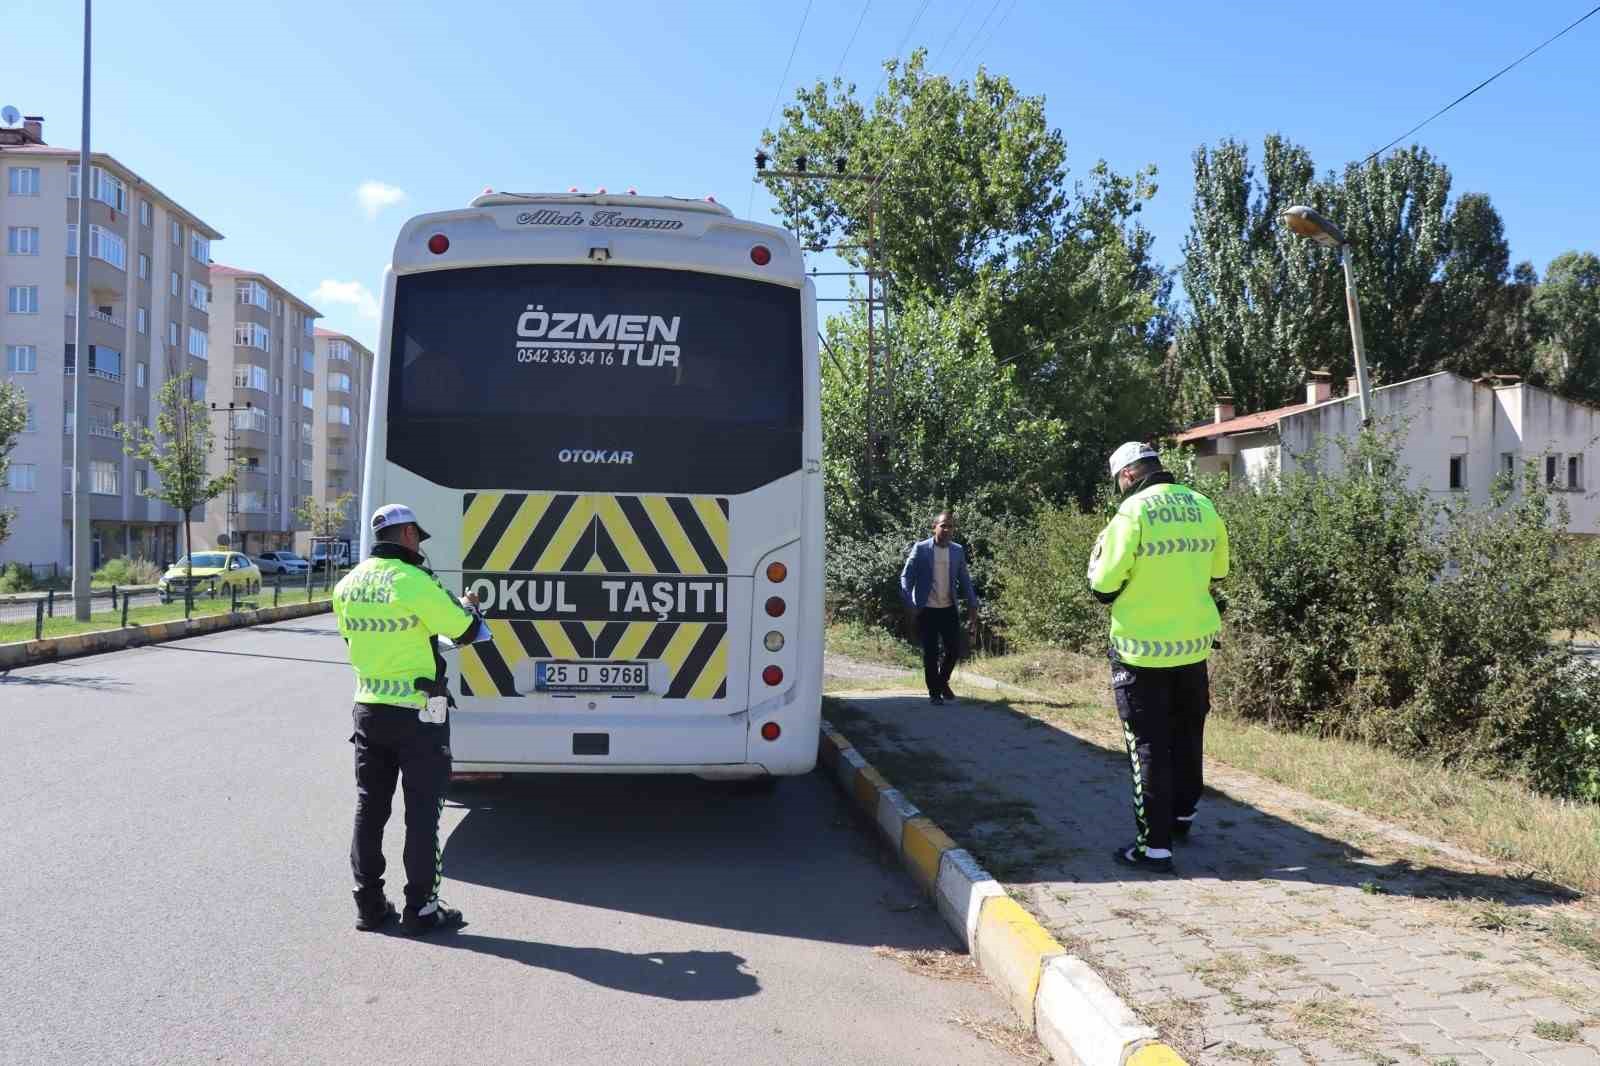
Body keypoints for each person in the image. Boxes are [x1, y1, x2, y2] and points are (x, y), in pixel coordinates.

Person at [333, 503, 483, 934]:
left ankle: (369, 904)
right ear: (407, 536)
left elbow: (355, 638)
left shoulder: (347, 585)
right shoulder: (413, 581)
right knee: (422, 812)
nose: (419, 542)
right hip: (418, 713)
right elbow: (465, 631)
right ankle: (421, 907)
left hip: (368, 709)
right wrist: (469, 608)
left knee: (370, 807)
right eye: (416, 535)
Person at [1087, 444, 1229, 873]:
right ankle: (1183, 816)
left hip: (1139, 652)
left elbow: (1102, 587)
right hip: (1193, 648)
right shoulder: (1203, 505)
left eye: (1118, 484)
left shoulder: (1131, 515)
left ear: (1127, 476)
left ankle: (1154, 849)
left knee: (1147, 746)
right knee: (1187, 736)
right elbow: (1218, 572)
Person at [899, 511, 980, 705]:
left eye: (950, 526)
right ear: (934, 527)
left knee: (954, 649)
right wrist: (910, 604)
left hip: (948, 607)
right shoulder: (921, 549)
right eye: (943, 525)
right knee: (931, 652)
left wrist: (973, 604)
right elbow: (906, 577)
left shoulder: (957, 550)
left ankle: (942, 681)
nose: (947, 529)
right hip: (926, 609)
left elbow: (965, 580)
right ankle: (934, 693)